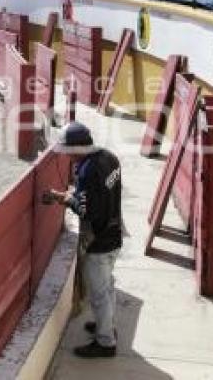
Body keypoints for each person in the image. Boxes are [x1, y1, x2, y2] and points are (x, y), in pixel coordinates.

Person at [45, 122, 122, 358]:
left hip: (99, 241)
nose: (67, 156)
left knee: (99, 293)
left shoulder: (88, 170)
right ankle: (107, 326)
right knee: (107, 286)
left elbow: (87, 211)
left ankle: (106, 342)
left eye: (68, 151)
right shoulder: (110, 158)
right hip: (115, 232)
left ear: (78, 148)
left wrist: (63, 198)